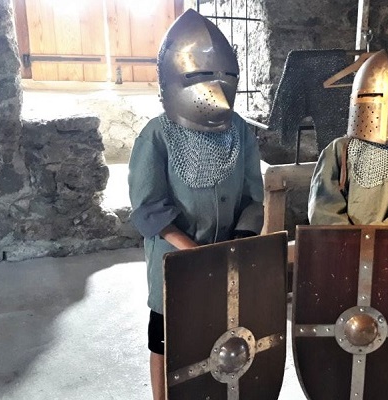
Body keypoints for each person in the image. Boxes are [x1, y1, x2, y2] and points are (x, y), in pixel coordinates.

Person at [128, 9, 264, 400]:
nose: (216, 87)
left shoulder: (239, 131)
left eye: (226, 76)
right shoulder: (157, 135)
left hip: (227, 255)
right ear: (177, 78)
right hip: (173, 259)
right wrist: (191, 250)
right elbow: (148, 206)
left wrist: (239, 241)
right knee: (166, 336)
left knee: (217, 331)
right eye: (202, 75)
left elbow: (253, 196)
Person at [308, 49, 388, 226]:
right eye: (372, 96)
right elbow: (324, 210)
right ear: (358, 99)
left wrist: (371, 236)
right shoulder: (339, 149)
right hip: (343, 241)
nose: (384, 107)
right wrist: (352, 237)